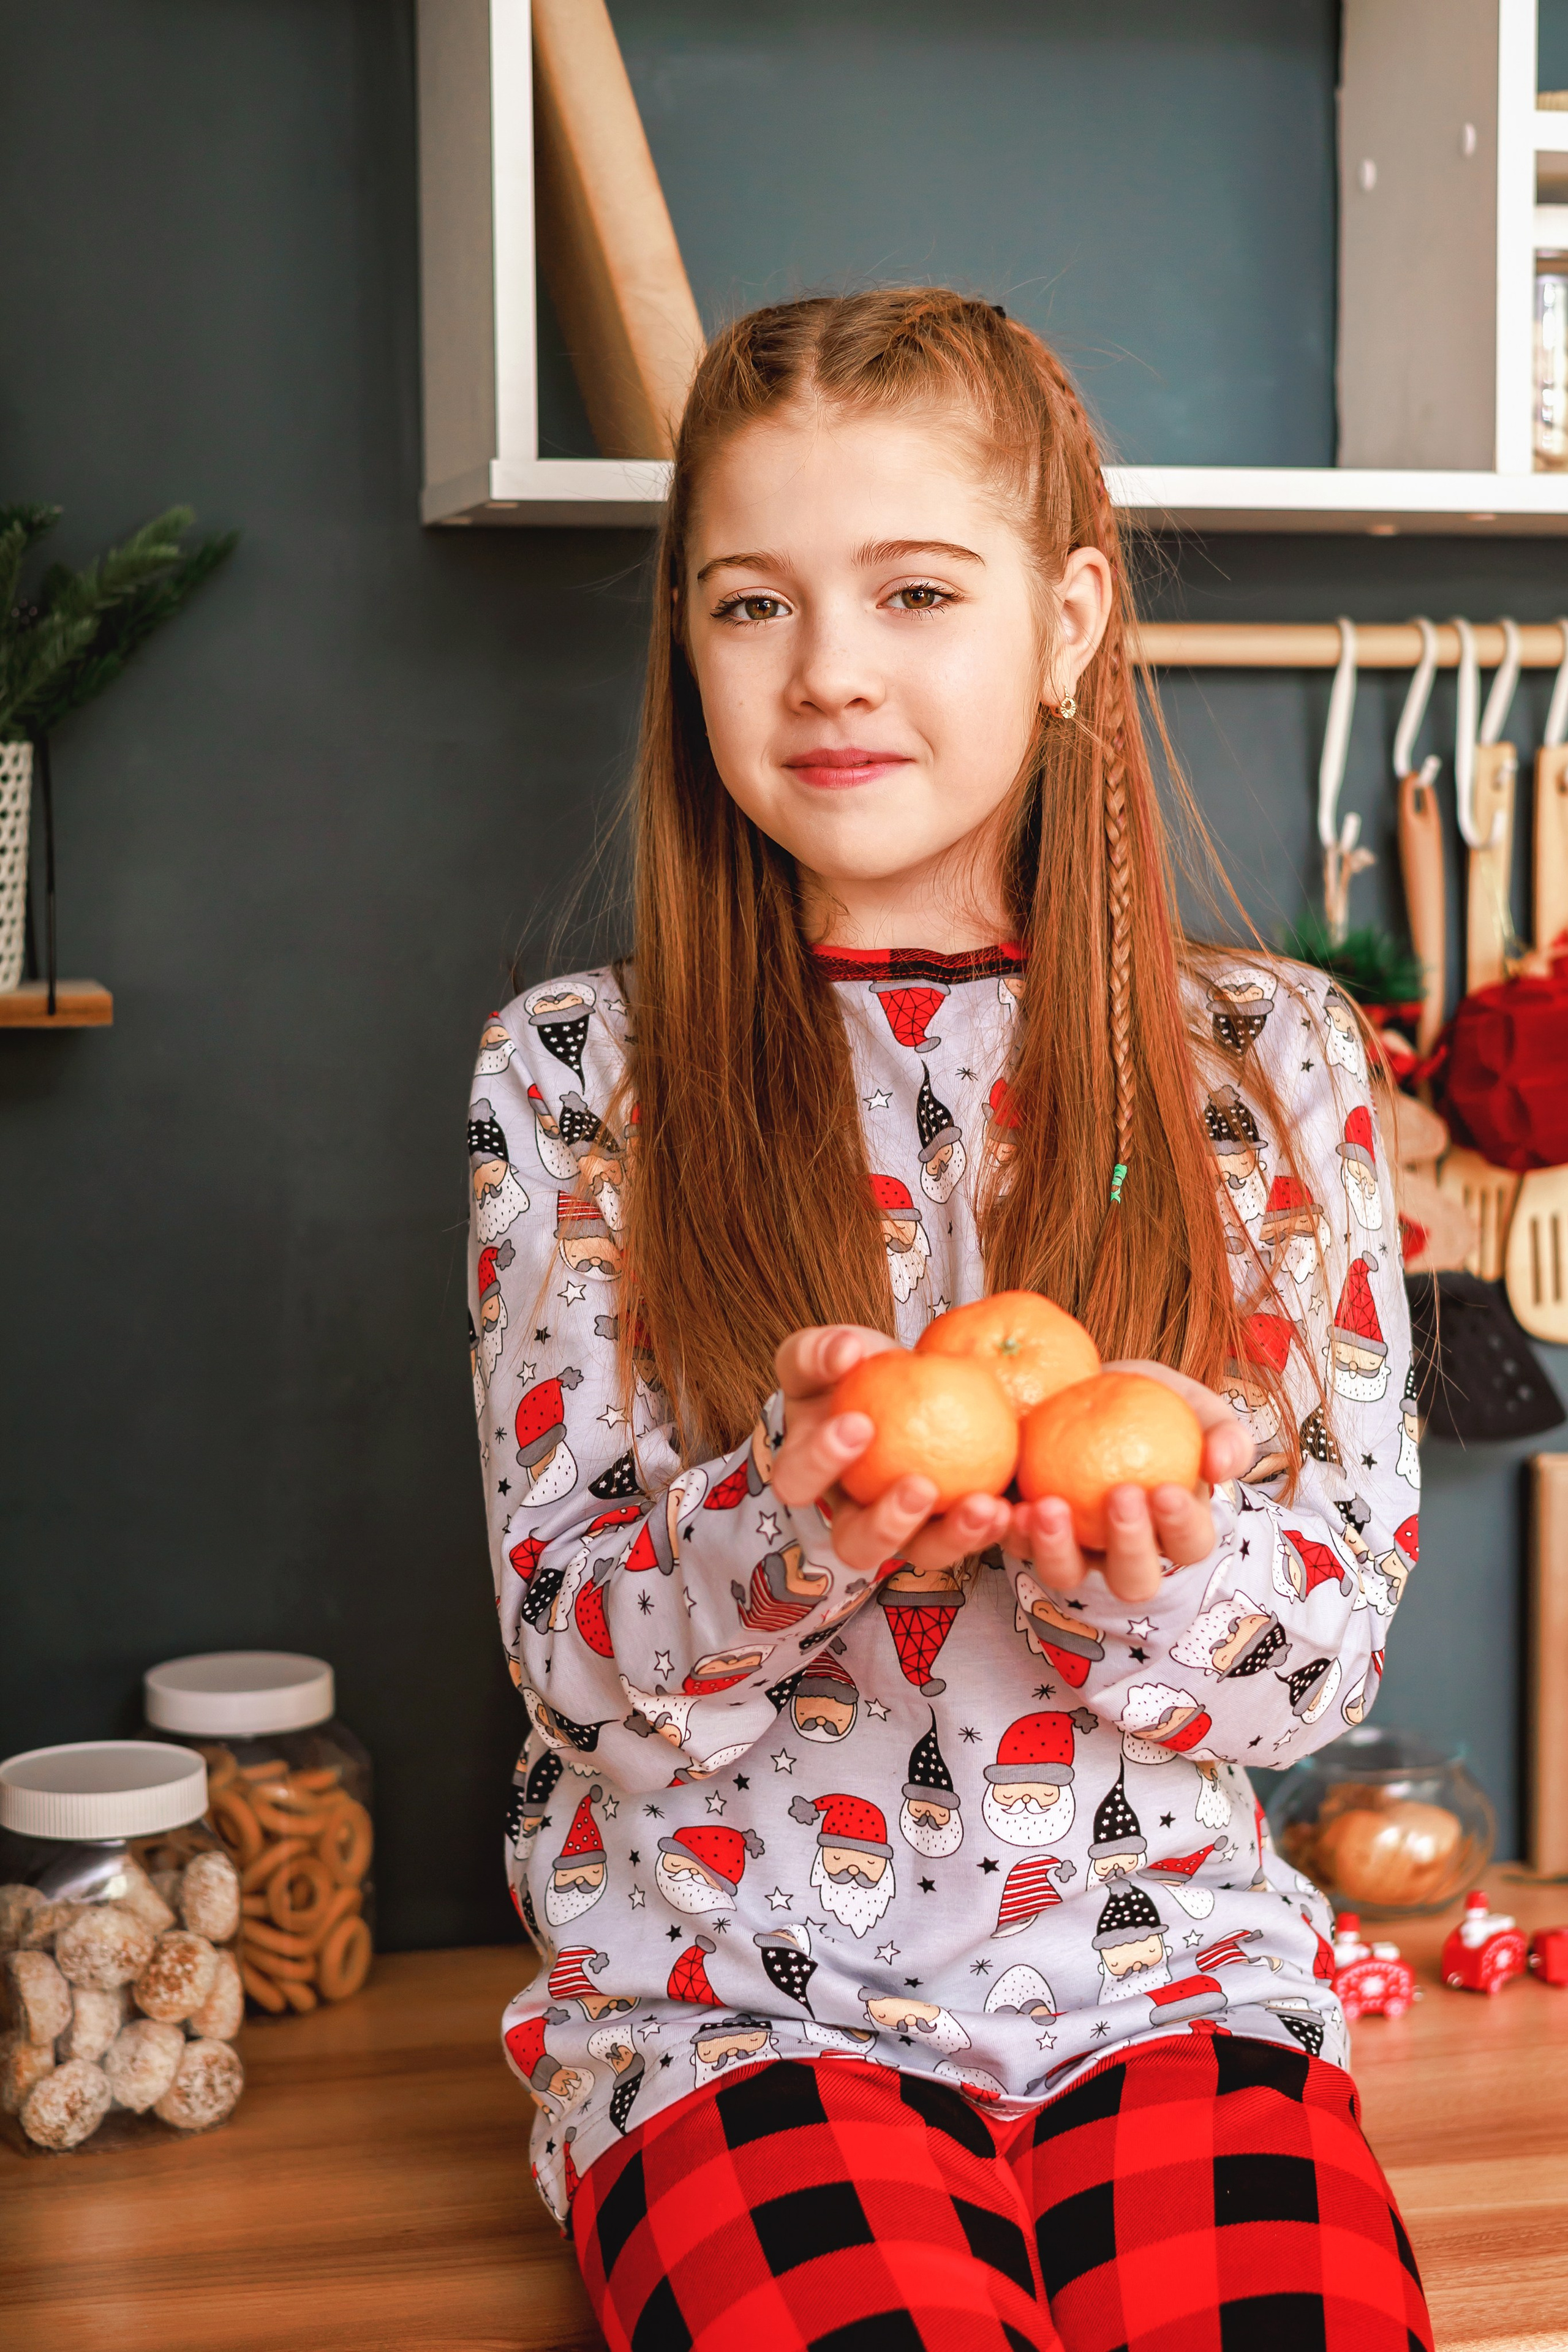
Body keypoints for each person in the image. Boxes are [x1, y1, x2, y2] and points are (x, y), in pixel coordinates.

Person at [467, 291, 1430, 2352]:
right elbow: (568, 1660)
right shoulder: (578, 1082)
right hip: (729, 2021)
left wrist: (1150, 1573)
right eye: (749, 606)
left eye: (915, 589)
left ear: (1072, 619)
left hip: (1178, 1994)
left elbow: (1328, 1650)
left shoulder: (1266, 1070)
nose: (828, 673)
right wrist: (790, 1525)